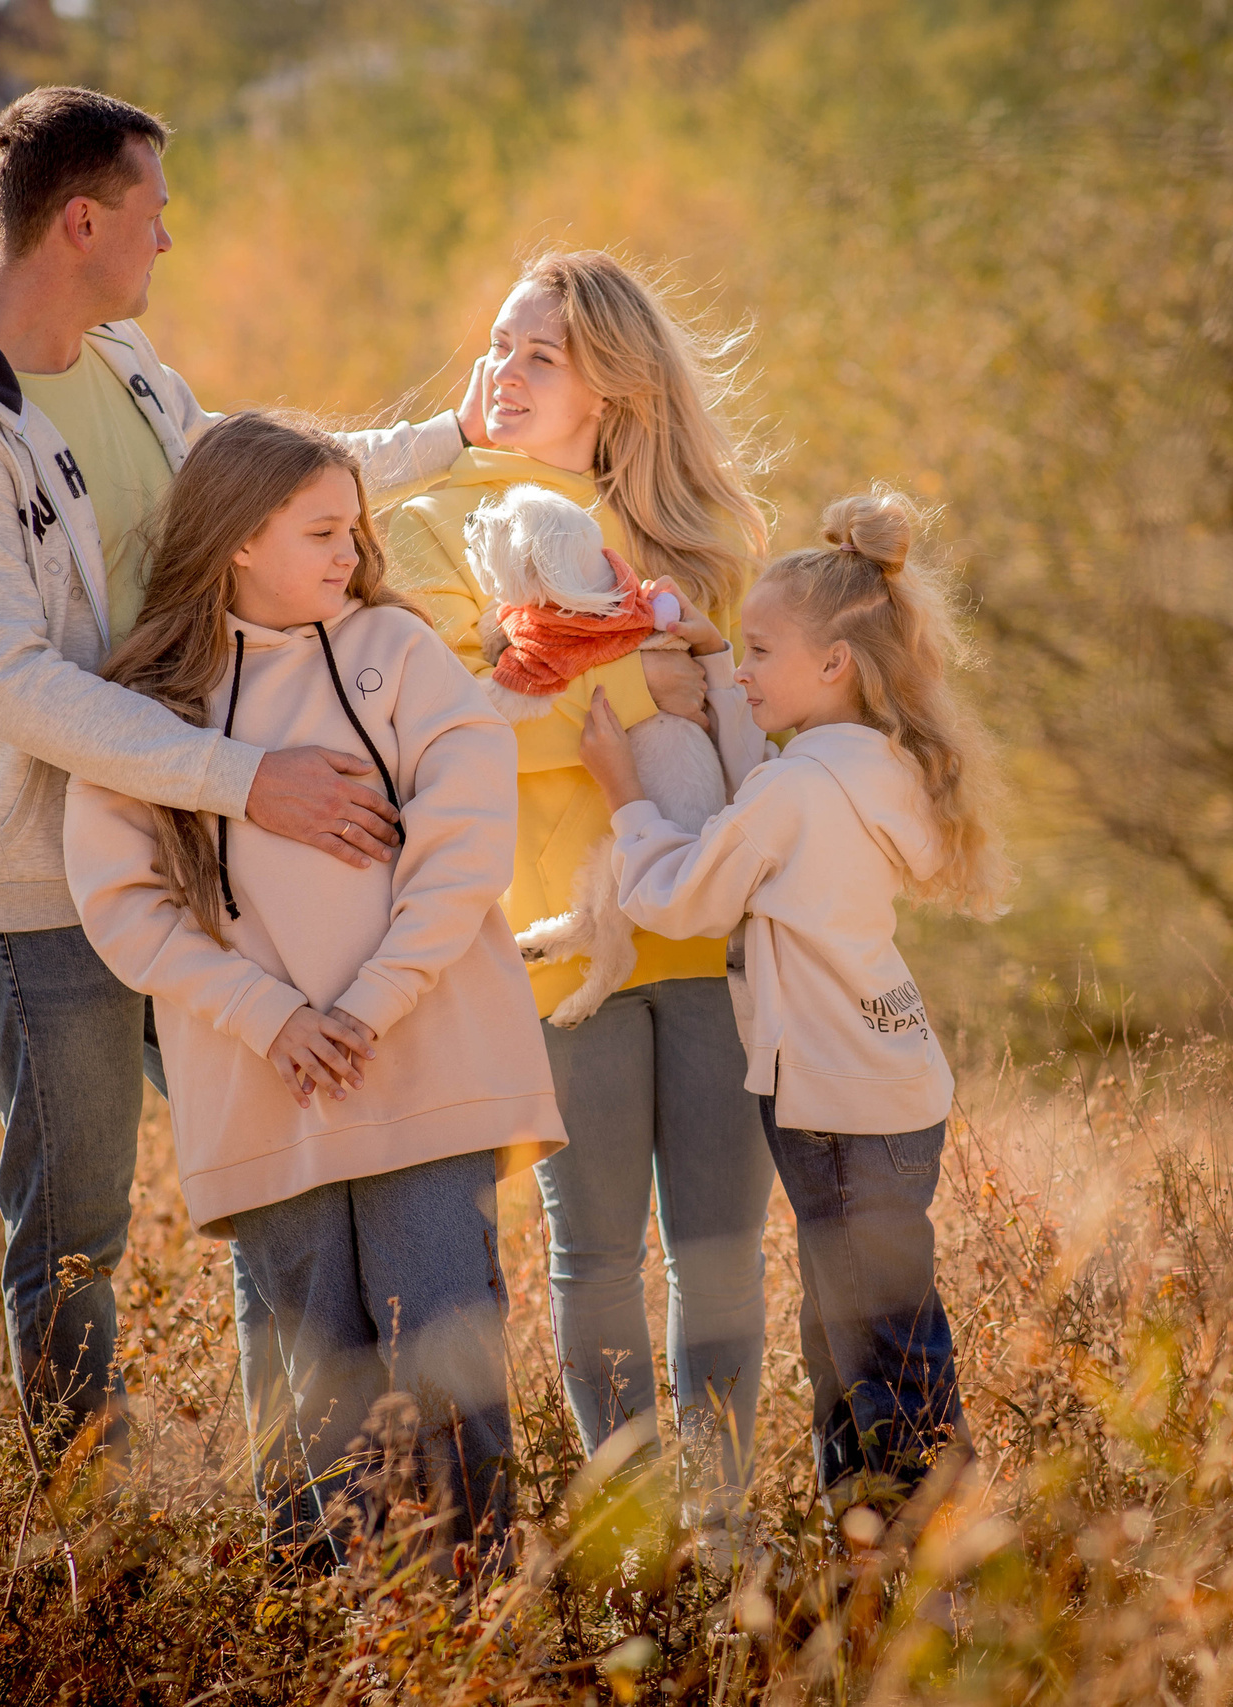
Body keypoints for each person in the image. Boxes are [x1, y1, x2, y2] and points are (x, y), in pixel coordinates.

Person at [0, 86, 490, 1497]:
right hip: (34, 888)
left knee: (282, 1170)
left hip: (196, 848)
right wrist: (247, 778)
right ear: (82, 220)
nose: (170, 238)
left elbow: (245, 498)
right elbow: (10, 685)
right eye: (153, 211)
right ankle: (94, 1521)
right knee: (78, 1228)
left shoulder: (128, 359)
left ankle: (322, 1501)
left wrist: (447, 434)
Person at [65, 410, 562, 1569]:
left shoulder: (397, 653)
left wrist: (370, 1003)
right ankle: (327, 1640)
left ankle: (476, 1622)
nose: (350, 554)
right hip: (266, 1084)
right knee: (313, 1395)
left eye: (353, 529)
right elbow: (123, 904)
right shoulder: (147, 703)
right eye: (321, 531)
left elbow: (468, 835)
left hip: (424, 1060)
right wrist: (274, 1019)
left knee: (445, 1358)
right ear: (238, 538)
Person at [388, 252, 774, 1547]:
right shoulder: (442, 522)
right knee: (596, 1252)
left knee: (719, 1252)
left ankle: (723, 1522)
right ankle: (632, 1526)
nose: (501, 372)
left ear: (609, 387)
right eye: (497, 345)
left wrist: (659, 693)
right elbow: (456, 727)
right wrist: (631, 700)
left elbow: (745, 728)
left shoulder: (701, 541)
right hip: (564, 942)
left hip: (716, 937)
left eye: (537, 355)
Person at [577, 489, 1012, 1500]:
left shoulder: (793, 792)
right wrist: (730, 679)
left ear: (833, 667)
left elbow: (684, 896)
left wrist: (623, 794)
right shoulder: (877, 766)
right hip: (893, 1091)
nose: (737, 670)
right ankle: (865, 1557)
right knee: (859, 1338)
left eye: (756, 653)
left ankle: (939, 1560)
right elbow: (778, 767)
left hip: (832, 1112)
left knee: (882, 1363)